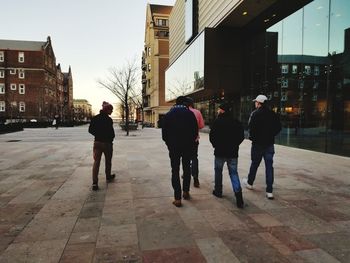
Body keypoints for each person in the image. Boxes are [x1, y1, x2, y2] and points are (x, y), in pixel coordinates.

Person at [162, 96, 198, 207]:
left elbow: (164, 135)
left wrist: (169, 144)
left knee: (175, 170)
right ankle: (186, 191)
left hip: (174, 148)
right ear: (184, 103)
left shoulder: (168, 115)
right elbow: (195, 132)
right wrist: (191, 143)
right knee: (187, 168)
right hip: (187, 147)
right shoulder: (190, 114)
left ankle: (177, 198)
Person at [243, 95, 282, 200]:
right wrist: (271, 135)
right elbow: (278, 127)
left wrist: (254, 138)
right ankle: (269, 191)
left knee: (254, 164)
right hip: (269, 144)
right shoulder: (272, 114)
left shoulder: (255, 114)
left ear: (259, 103)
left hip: (257, 144)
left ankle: (250, 183)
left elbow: (250, 128)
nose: (255, 104)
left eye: (256, 102)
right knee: (269, 167)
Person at [209, 102, 245, 208]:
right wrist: (235, 145)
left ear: (222, 110)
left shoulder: (217, 122)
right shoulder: (236, 122)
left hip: (220, 152)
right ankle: (239, 197)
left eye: (219, 109)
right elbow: (241, 136)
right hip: (232, 152)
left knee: (218, 171)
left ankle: (218, 191)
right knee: (233, 173)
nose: (217, 111)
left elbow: (212, 137)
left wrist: (216, 145)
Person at [88, 101, 116, 191]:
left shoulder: (95, 118)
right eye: (111, 110)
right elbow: (111, 132)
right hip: (107, 143)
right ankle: (108, 176)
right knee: (108, 161)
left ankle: (95, 183)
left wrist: (98, 135)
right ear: (107, 110)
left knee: (96, 162)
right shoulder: (108, 119)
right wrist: (110, 138)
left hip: (97, 143)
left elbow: (90, 130)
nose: (111, 112)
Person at [184, 97, 205, 188]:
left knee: (185, 158)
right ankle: (195, 178)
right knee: (194, 158)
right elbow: (201, 126)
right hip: (194, 139)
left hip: (184, 140)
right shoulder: (197, 112)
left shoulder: (183, 112)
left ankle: (186, 175)